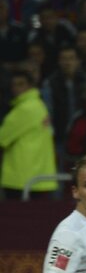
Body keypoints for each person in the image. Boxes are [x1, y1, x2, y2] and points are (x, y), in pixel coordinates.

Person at [0, 69, 56, 198]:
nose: (16, 88)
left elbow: (2, 138)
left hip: (21, 177)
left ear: (30, 86)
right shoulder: (39, 105)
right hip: (39, 175)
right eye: (14, 84)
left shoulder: (24, 109)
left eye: (21, 84)